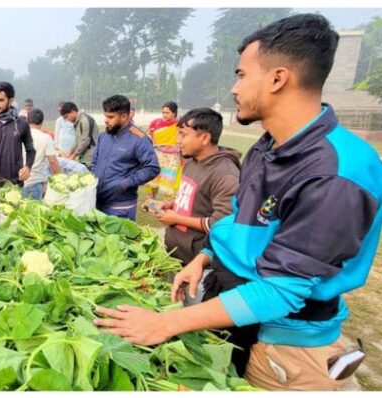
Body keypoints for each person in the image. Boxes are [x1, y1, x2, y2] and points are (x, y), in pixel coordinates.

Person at [95, 14, 382, 391]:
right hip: (236, 313)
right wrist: (205, 257)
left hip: (282, 342)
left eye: (243, 75)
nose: (234, 88)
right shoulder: (268, 147)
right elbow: (239, 221)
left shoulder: (336, 172)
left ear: (278, 78)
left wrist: (163, 323)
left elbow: (283, 290)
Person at [145, 108, 240, 307]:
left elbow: (220, 224)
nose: (177, 140)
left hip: (198, 264)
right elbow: (190, 197)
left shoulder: (225, 174)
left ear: (204, 137)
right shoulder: (191, 161)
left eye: (183, 134)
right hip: (177, 255)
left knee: (190, 312)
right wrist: (169, 205)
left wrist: (177, 219)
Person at [91, 95, 160, 220]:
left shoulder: (139, 139)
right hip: (98, 203)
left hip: (120, 208)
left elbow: (152, 167)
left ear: (124, 116)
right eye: (105, 116)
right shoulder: (104, 136)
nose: (106, 120)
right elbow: (95, 160)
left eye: (110, 117)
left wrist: (125, 183)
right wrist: (93, 177)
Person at [146, 101, 182, 200]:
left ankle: (168, 202)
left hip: (171, 157)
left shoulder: (180, 125)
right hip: (157, 155)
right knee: (153, 177)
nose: (165, 115)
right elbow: (150, 138)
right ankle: (149, 199)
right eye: (163, 112)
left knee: (169, 179)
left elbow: (181, 139)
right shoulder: (156, 123)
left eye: (168, 112)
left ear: (174, 113)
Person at [24, 108, 60, 199]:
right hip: (34, 183)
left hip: (18, 182)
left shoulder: (19, 135)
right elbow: (53, 162)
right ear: (41, 122)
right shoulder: (45, 138)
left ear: (27, 120)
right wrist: (59, 179)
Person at [61, 101, 99, 167]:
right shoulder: (77, 122)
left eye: (67, 116)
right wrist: (70, 152)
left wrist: (73, 155)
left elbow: (85, 141)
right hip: (84, 157)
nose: (67, 119)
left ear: (73, 112)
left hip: (91, 157)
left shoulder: (85, 120)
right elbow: (78, 140)